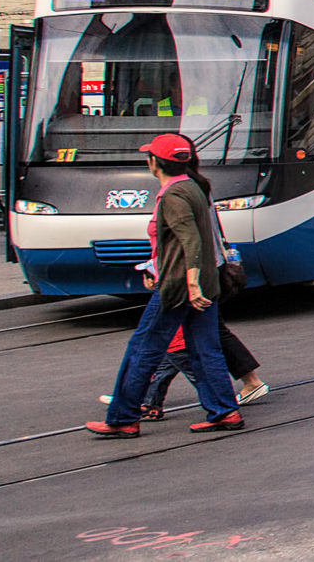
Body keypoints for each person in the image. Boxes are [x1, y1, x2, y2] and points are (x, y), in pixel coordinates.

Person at [85, 134, 243, 437]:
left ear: (155, 163)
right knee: (204, 348)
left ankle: (123, 417)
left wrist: (191, 285)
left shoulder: (173, 194)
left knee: (142, 349)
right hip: (202, 282)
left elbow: (191, 241)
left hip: (179, 285)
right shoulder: (195, 186)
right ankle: (225, 410)